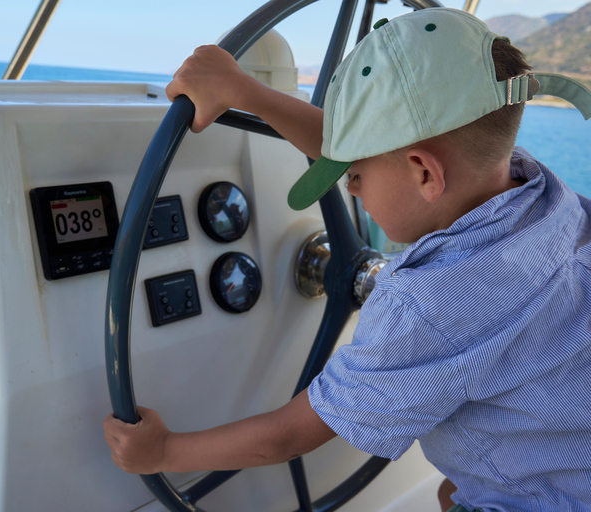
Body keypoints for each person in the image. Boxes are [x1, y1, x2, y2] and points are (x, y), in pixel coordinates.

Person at [104, 7, 591, 512]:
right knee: (450, 488)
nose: (350, 186)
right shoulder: (543, 193)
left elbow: (289, 435)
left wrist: (162, 451)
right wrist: (245, 92)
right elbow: (390, 154)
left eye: (354, 174)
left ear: (426, 175)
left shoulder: (423, 309)